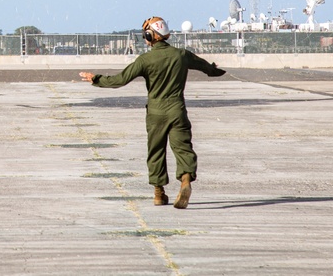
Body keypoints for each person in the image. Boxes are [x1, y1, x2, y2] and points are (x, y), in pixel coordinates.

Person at [79, 16, 226, 209]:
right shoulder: (181, 55)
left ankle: (158, 193)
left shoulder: (145, 60)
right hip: (177, 109)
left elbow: (120, 80)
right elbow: (205, 67)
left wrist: (96, 79)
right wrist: (216, 71)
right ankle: (185, 180)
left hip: (156, 111)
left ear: (151, 35)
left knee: (156, 151)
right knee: (183, 148)